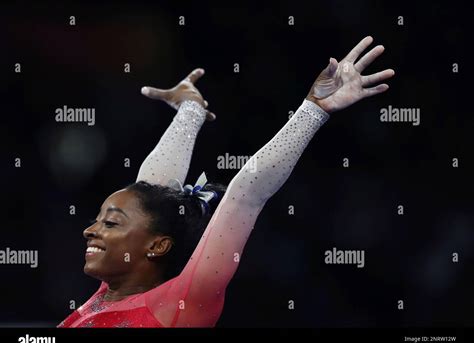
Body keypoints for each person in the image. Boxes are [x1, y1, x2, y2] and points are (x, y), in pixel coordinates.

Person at [58, 36, 394, 327]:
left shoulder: (181, 304)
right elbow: (152, 192)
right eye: (99, 220)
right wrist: (189, 111)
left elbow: (246, 193)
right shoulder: (110, 293)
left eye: (111, 223)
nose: (91, 230)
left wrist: (313, 110)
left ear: (157, 246)